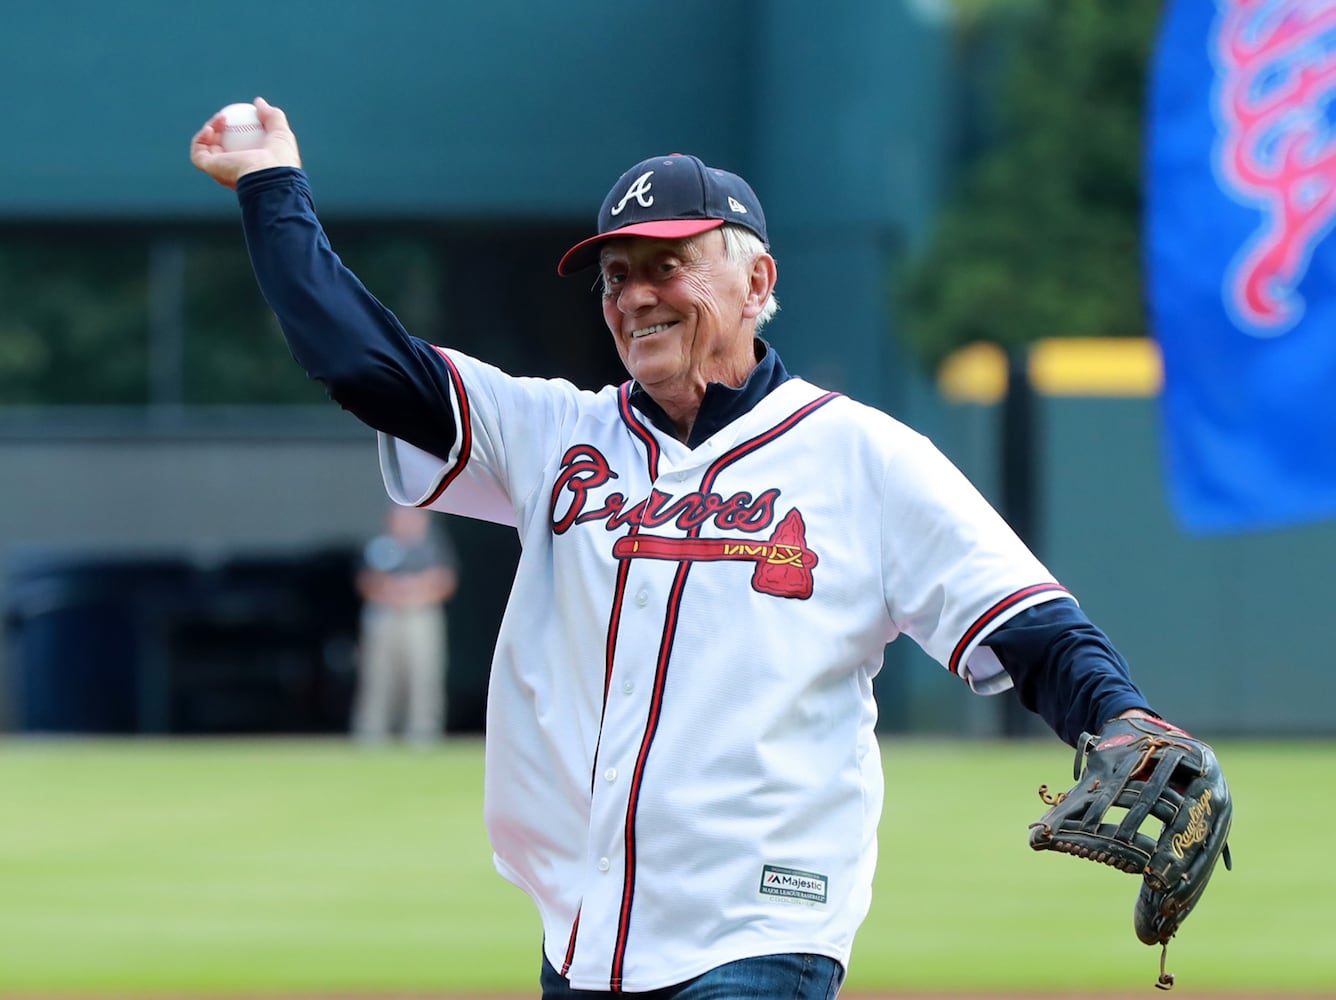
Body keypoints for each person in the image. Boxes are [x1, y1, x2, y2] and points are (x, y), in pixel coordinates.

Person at [190, 98, 1176, 999]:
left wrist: (1119, 715)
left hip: (761, 927)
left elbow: (1032, 623)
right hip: (584, 933)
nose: (635, 296)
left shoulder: (860, 455)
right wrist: (275, 190)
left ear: (756, 280)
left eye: (667, 264)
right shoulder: (550, 437)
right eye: (616, 276)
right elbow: (358, 358)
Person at [352, 503, 459, 745]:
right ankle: (372, 733)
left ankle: (423, 733)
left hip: (419, 614)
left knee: (423, 675)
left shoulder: (433, 547)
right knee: (378, 676)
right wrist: (389, 590)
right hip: (384, 614)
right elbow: (364, 581)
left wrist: (415, 589)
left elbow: (446, 581)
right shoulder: (379, 546)